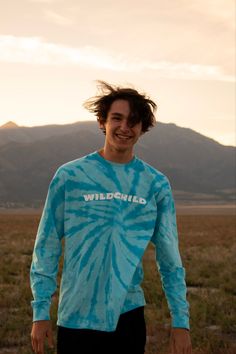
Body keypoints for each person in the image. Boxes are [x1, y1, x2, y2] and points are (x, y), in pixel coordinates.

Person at [30, 81, 192, 354]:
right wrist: (40, 311)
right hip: (75, 315)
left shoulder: (155, 184)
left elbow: (170, 258)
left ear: (143, 128)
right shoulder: (70, 176)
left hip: (127, 315)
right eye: (117, 118)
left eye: (134, 121)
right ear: (102, 121)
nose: (125, 127)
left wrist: (181, 321)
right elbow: (46, 246)